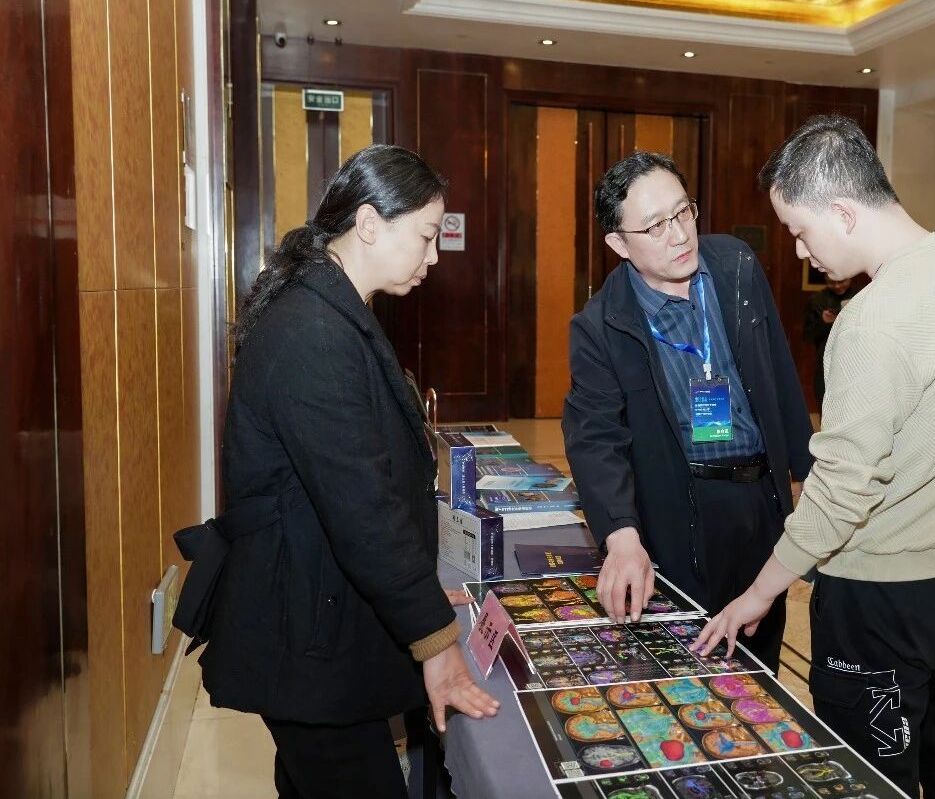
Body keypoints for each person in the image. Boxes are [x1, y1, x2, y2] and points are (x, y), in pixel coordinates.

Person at [694, 115, 935, 799]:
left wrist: (760, 593)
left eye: (800, 230)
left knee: (867, 778)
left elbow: (840, 490)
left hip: (884, 596)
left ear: (844, 213)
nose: (799, 250)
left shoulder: (872, 319)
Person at [190, 145, 499, 798]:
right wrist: (435, 639)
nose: (433, 256)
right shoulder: (312, 333)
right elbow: (363, 510)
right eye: (426, 236)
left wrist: (418, 591)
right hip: (304, 637)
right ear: (368, 224)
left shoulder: (331, 310)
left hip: (318, 612)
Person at [562, 152, 814, 671]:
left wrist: (807, 473)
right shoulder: (600, 325)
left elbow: (778, 370)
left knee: (759, 655)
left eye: (683, 212)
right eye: (655, 226)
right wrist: (622, 537)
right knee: (687, 659)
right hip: (681, 508)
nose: (679, 235)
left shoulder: (735, 266)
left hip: (759, 498)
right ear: (619, 244)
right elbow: (595, 436)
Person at [803, 274, 858, 405]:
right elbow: (808, 336)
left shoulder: (860, 297)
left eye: (842, 281)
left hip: (855, 356)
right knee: (825, 400)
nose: (837, 286)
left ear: (849, 277)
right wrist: (824, 323)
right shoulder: (817, 301)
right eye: (832, 282)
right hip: (826, 358)